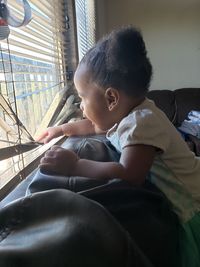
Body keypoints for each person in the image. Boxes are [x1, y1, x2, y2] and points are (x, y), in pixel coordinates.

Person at [38, 26, 200, 266]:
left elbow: (130, 174)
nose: (81, 106)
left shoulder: (141, 122)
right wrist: (62, 130)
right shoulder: (128, 115)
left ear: (111, 98)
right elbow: (94, 127)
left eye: (82, 97)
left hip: (193, 198)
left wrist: (75, 165)